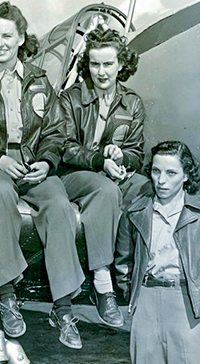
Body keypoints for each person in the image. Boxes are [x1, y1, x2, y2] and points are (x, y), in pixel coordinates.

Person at [0, 0, 85, 349]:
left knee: (59, 203)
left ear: (20, 38)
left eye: (7, 35)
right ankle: (7, 293)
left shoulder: (40, 80)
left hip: (34, 165)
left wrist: (46, 163)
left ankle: (63, 307)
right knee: (0, 195)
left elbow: (55, 131)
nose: (0, 43)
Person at [57, 25, 151, 328]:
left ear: (120, 64)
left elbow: (137, 152)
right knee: (105, 189)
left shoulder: (133, 103)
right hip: (74, 176)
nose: (101, 71)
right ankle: (103, 284)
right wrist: (100, 160)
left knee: (152, 191)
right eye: (95, 63)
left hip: (115, 175)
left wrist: (122, 157)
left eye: (108, 63)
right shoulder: (70, 99)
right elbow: (64, 148)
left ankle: (141, 280)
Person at [115, 141, 200, 363]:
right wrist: (135, 297)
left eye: (171, 173)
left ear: (186, 175)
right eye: (156, 171)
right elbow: (123, 262)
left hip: (187, 304)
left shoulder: (197, 214)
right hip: (146, 302)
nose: (161, 181)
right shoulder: (135, 211)